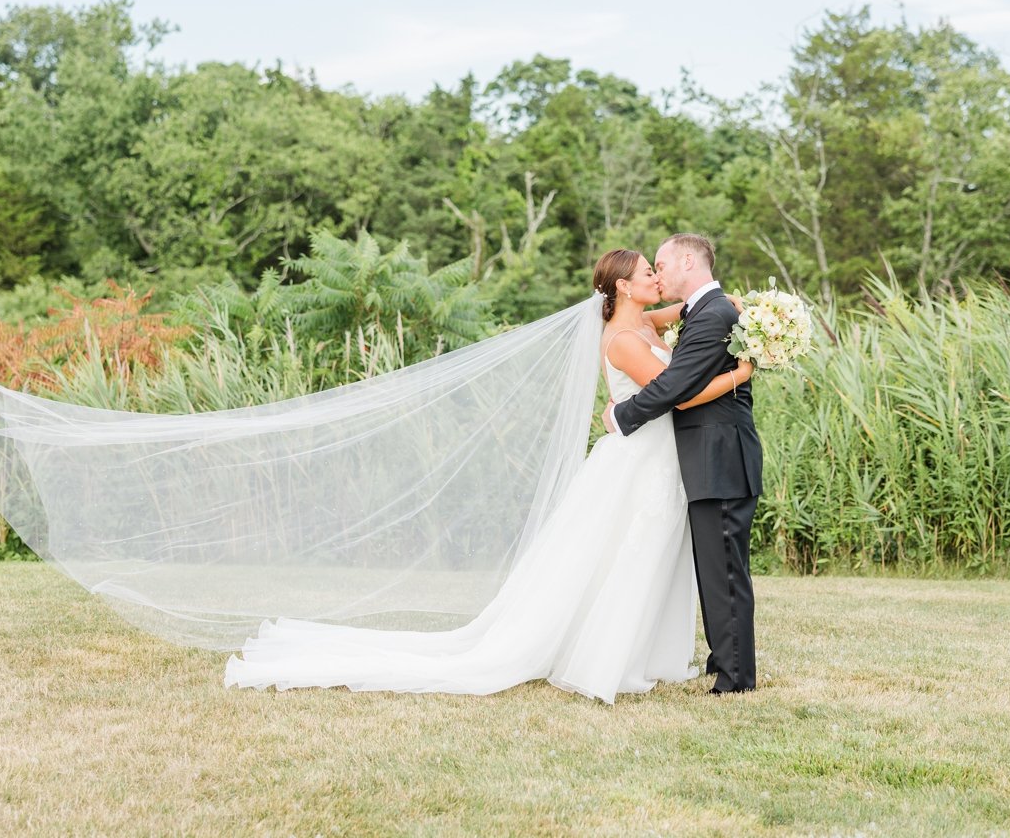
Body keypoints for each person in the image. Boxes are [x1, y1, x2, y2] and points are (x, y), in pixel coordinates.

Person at [224, 247, 753, 701]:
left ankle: (646, 650)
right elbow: (672, 395)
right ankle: (598, 656)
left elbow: (677, 314)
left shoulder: (641, 320)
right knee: (623, 555)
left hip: (656, 457)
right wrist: (741, 372)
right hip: (640, 457)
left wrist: (720, 305)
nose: (657, 279)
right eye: (648, 274)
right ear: (625, 287)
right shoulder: (624, 338)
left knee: (646, 554)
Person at [605, 233, 763, 694]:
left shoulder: (714, 314)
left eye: (661, 263)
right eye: (648, 269)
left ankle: (736, 679)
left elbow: (676, 389)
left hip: (720, 458)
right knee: (715, 566)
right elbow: (649, 325)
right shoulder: (705, 310)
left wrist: (621, 414)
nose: (657, 273)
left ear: (689, 261)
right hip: (707, 457)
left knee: (725, 571)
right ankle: (724, 659)